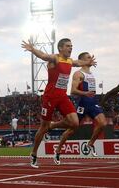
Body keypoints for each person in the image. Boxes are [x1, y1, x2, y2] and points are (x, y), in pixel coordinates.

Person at [21, 38, 96, 168]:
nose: (70, 48)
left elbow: (78, 62)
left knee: (74, 122)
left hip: (62, 96)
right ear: (60, 48)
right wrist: (33, 49)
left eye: (71, 46)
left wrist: (87, 62)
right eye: (68, 46)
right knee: (43, 127)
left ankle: (53, 125)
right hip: (50, 97)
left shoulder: (69, 61)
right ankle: (33, 154)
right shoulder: (55, 58)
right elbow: (44, 56)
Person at [71, 52, 107, 157]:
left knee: (103, 123)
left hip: (92, 102)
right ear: (82, 61)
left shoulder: (91, 74)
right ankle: (51, 128)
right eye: (88, 57)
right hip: (83, 103)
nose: (91, 59)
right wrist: (85, 93)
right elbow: (73, 91)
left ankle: (90, 143)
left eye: (91, 57)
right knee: (72, 127)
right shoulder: (78, 73)